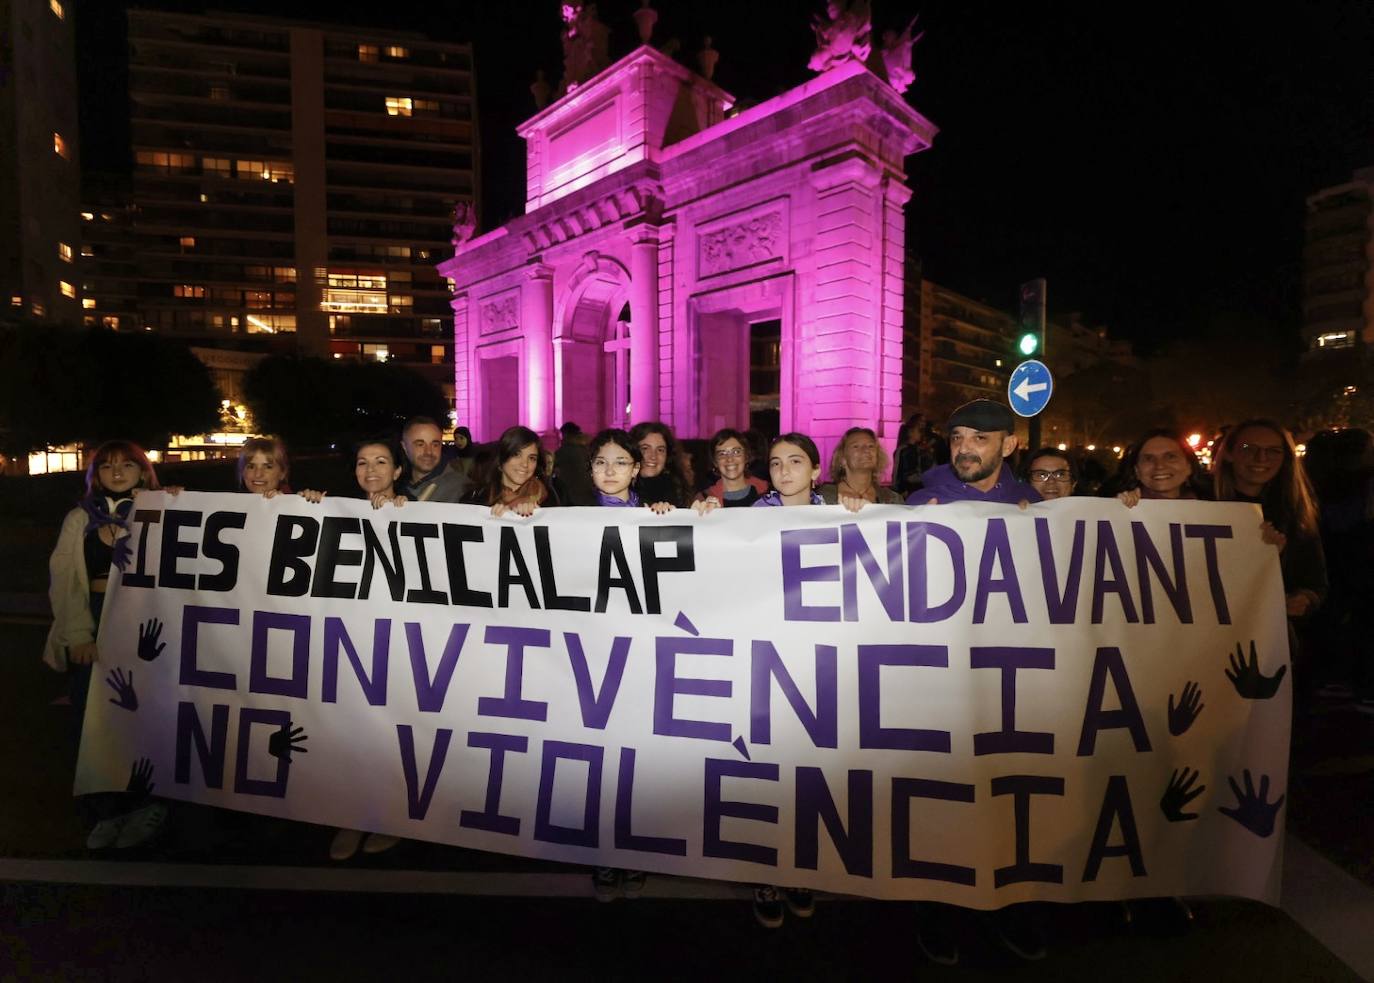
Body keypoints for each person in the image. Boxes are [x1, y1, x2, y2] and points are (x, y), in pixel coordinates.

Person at [44, 441, 170, 849]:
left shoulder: (162, 509)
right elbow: (64, 581)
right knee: (93, 719)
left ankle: (145, 804)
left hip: (143, 623)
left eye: (127, 465)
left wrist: (174, 504)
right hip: (96, 617)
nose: (117, 473)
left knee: (143, 716)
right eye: (107, 467)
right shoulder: (80, 518)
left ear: (143, 471)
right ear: (95, 475)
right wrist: (79, 633)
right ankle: (107, 810)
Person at [328, 436, 408, 861]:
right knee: (353, 734)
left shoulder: (420, 516)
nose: (371, 470)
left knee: (391, 735)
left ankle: (392, 818)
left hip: (401, 646)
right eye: (363, 463)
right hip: (351, 642)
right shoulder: (336, 514)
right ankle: (351, 817)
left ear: (398, 471)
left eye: (382, 462)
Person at [1212, 419, 1328, 684]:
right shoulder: (1197, 501)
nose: (1260, 457)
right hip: (1205, 640)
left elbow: (1315, 583)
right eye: (1247, 447)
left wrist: (1303, 599)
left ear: (1285, 458)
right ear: (1228, 453)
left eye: (1273, 450)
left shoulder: (1296, 513)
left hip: (1264, 646)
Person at [909, 399, 1040, 506]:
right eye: (957, 438)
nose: (963, 449)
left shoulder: (1031, 501)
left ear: (1007, 446)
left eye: (979, 438)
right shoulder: (921, 503)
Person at [465, 426, 558, 516]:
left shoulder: (548, 497)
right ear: (502, 458)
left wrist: (538, 517)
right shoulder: (476, 498)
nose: (525, 464)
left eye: (532, 458)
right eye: (516, 455)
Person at [1108, 430, 1210, 504]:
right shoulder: (1119, 508)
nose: (1159, 465)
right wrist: (1116, 508)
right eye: (1149, 458)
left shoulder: (1215, 512)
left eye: (1170, 457)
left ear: (1189, 467)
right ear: (1137, 471)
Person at [819, 427, 903, 505]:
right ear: (842, 459)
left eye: (871, 446)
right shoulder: (821, 498)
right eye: (856, 446)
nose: (866, 450)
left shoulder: (893, 500)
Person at [695, 428, 769, 508]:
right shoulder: (704, 499)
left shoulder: (768, 492)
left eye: (736, 452)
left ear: (746, 456)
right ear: (715, 462)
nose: (730, 459)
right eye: (722, 454)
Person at [400, 416, 468, 503]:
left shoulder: (462, 488)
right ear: (404, 447)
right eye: (420, 444)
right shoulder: (393, 486)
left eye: (435, 445)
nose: (428, 452)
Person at [629, 421, 692, 507]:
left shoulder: (679, 491)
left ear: (668, 456)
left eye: (660, 450)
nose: (653, 456)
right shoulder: (618, 491)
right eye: (645, 448)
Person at [892, 412, 936, 496]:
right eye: (918, 430)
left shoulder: (917, 449)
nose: (920, 432)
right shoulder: (904, 450)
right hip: (906, 491)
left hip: (915, 489)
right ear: (910, 432)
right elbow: (899, 473)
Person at [553, 421, 597, 506]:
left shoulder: (563, 451)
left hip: (570, 493)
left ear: (565, 434)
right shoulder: (586, 448)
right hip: (588, 491)